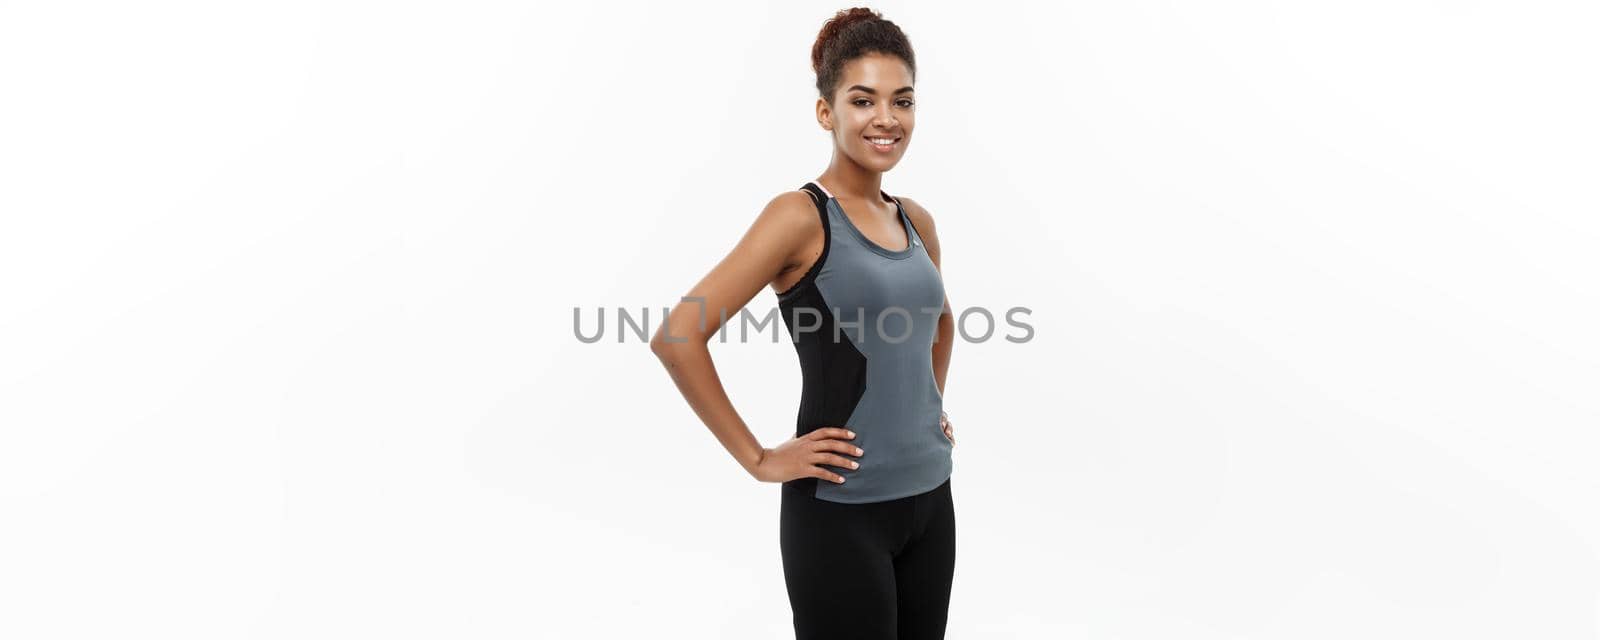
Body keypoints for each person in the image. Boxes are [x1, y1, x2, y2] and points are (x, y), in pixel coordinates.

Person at [650, 8, 957, 639]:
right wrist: (759, 459)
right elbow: (679, 335)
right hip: (840, 513)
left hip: (932, 502)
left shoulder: (917, 220)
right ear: (827, 113)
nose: (886, 118)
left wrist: (929, 404)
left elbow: (941, 321)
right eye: (863, 99)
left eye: (902, 100)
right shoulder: (799, 217)